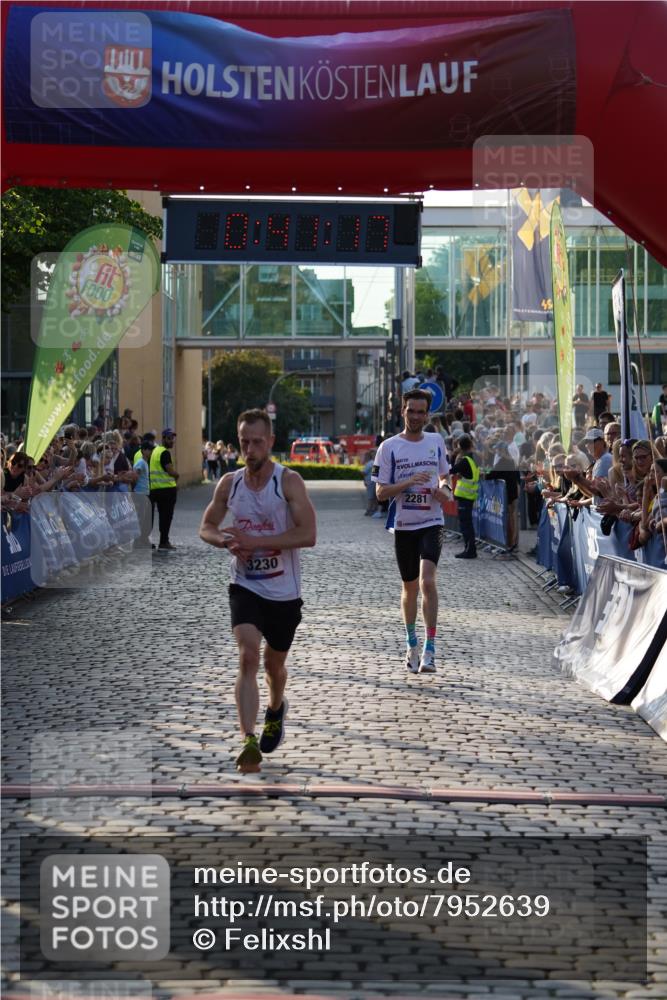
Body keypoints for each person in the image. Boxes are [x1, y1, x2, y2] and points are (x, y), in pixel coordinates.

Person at [199, 408, 317, 773]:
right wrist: (225, 541)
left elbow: (308, 534)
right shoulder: (229, 483)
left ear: (270, 442)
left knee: (273, 665)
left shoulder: (288, 482)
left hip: (284, 592)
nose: (249, 450)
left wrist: (257, 541)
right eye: (244, 442)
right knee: (248, 657)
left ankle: (276, 708)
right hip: (245, 584)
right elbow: (207, 526)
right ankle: (248, 740)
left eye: (256, 442)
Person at [372, 388, 452, 674]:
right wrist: (408, 483)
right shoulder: (389, 447)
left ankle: (430, 649)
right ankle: (411, 644)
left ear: (427, 415)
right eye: (411, 411)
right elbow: (380, 493)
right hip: (404, 524)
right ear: (402, 411)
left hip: (432, 521)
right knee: (409, 587)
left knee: (427, 581)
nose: (416, 417)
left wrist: (445, 490)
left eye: (421, 412)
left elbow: (445, 477)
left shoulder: (435, 441)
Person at [451, 434, 479, 559]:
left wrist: (454, 456)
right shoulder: (473, 458)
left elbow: (451, 470)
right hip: (469, 496)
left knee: (465, 525)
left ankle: (470, 550)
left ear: (460, 447)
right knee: (467, 524)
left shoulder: (465, 460)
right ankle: (470, 548)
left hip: (465, 496)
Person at [150, 428, 179, 551]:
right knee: (166, 517)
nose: (172, 441)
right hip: (166, 490)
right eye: (169, 438)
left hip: (154, 489)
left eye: (173, 438)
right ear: (163, 439)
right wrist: (177, 475)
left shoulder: (155, 451)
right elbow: (170, 471)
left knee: (158, 516)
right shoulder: (165, 453)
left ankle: (156, 540)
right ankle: (164, 541)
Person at [133, 440, 155, 547]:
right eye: (149, 450)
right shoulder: (141, 463)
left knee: (143, 517)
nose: (151, 452)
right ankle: (137, 541)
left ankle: (141, 539)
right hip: (139, 493)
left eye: (151, 450)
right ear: (143, 450)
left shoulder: (145, 462)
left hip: (144, 493)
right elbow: (135, 477)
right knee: (140, 517)